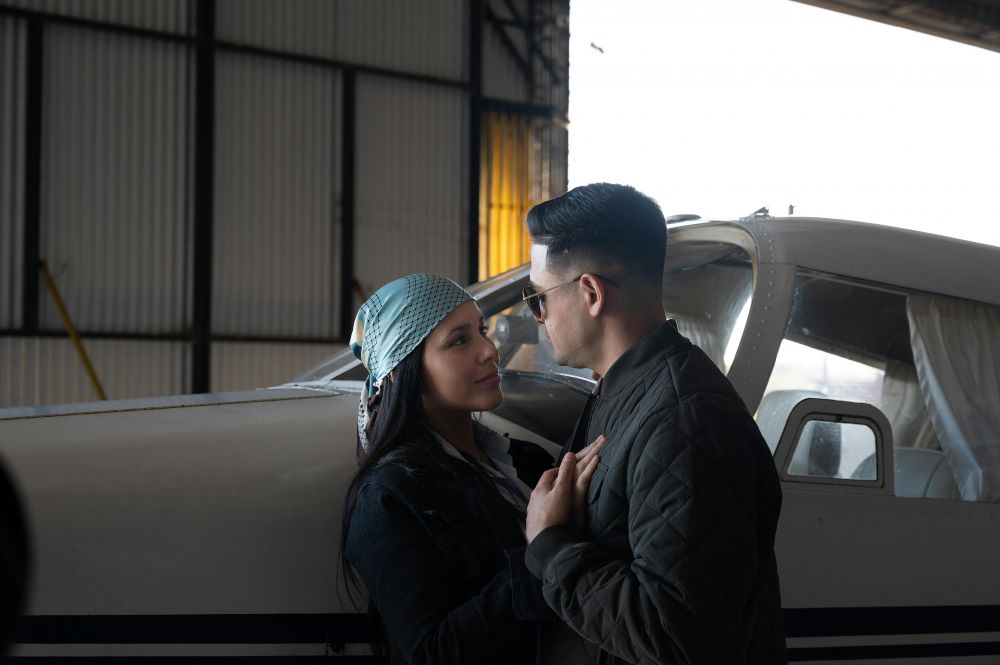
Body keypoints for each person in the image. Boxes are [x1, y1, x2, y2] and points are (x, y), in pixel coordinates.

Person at [522, 183, 787, 664]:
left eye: (539, 297)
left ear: (590, 293)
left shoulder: (686, 419)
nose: (538, 317)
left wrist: (549, 547)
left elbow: (678, 635)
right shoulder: (624, 389)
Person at [340, 273, 602, 665]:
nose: (489, 350)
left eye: (481, 330)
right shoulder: (387, 496)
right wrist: (541, 549)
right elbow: (431, 654)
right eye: (459, 340)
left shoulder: (527, 462)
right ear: (402, 370)